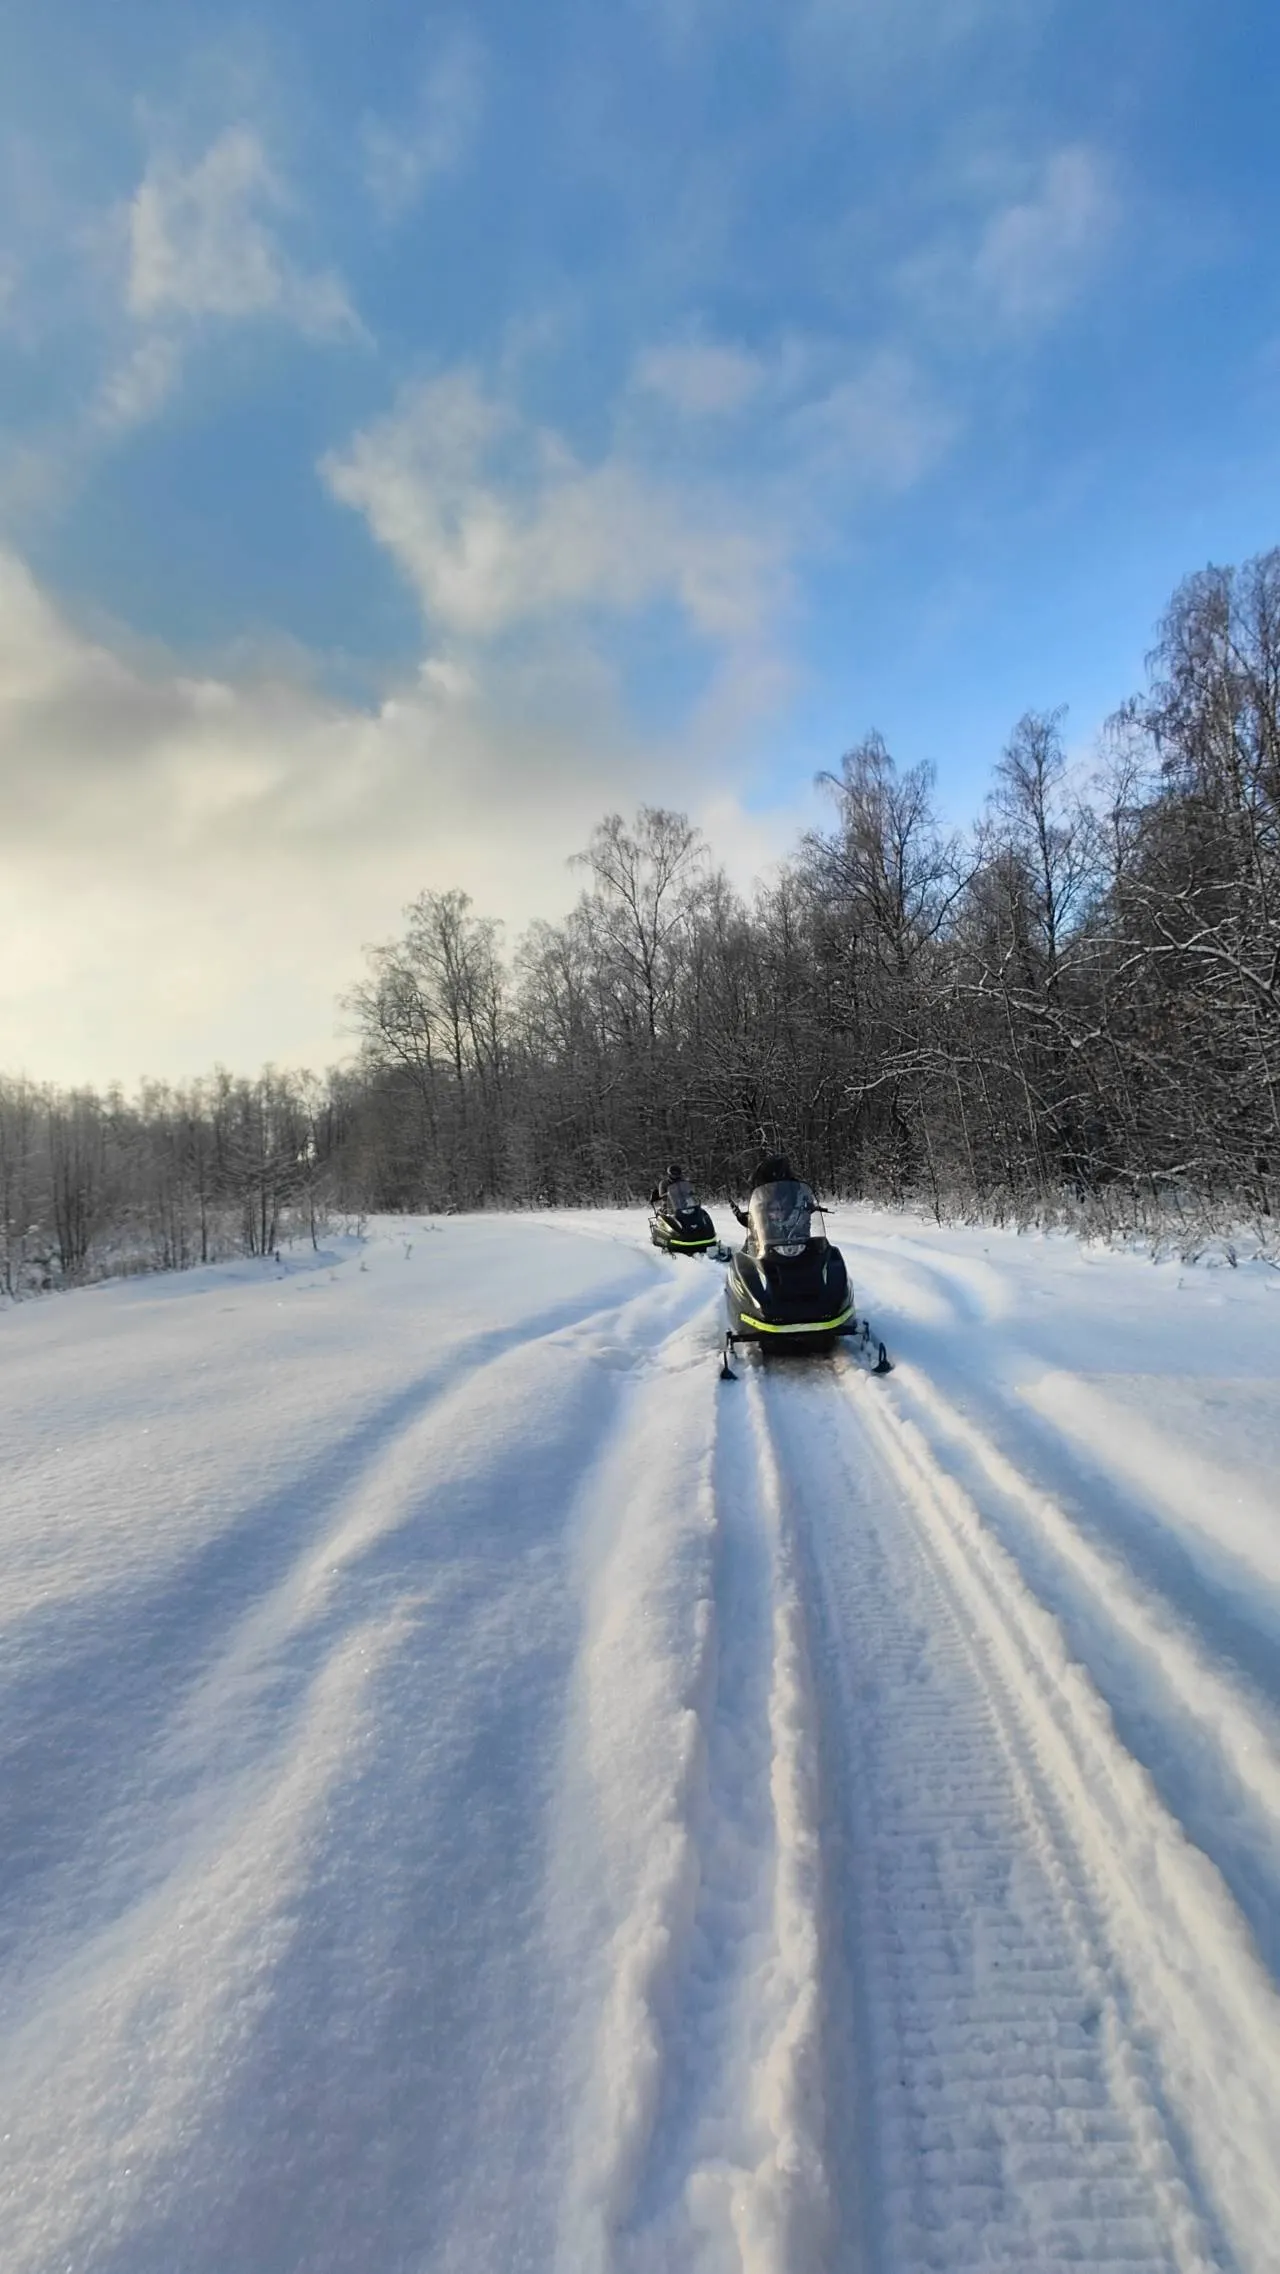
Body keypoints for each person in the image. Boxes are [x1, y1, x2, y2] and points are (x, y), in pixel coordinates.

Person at [731, 1154, 821, 1250]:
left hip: (798, 1251)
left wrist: (807, 1208)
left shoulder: (799, 1199)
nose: (767, 1191)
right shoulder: (767, 1201)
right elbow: (761, 1224)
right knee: (749, 1247)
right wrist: (745, 1219)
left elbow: (794, 1223)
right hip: (769, 1254)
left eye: (767, 1186)